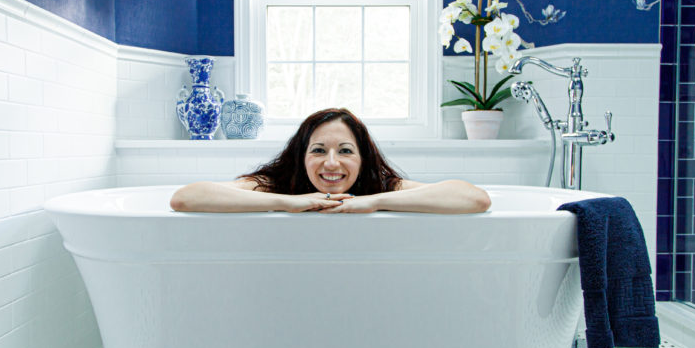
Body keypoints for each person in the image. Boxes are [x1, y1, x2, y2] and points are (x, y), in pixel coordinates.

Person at [170, 108, 491, 214]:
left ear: (363, 158)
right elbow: (185, 198)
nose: (332, 163)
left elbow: (474, 198)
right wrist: (288, 203)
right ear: (302, 156)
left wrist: (374, 202)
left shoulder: (380, 185)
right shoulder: (275, 184)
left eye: (346, 151)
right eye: (319, 150)